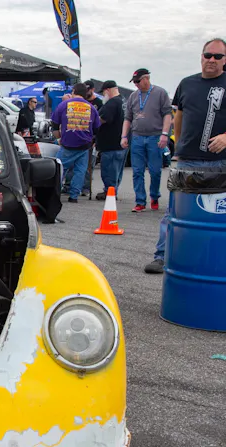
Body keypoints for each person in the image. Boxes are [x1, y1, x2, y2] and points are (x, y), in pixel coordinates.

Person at [144, 39, 226, 273]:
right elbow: (178, 116)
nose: (212, 60)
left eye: (218, 56)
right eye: (208, 55)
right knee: (175, 212)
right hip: (188, 161)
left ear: (225, 60)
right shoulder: (187, 83)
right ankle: (162, 256)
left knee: (218, 216)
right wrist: (179, 147)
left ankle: (216, 262)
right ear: (201, 56)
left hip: (222, 163)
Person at [121, 68, 173, 213]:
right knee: (137, 171)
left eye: (138, 81)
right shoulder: (133, 96)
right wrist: (124, 136)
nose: (136, 84)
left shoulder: (160, 93)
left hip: (155, 137)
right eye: (134, 82)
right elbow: (127, 118)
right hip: (137, 137)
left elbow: (167, 114)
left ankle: (154, 196)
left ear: (146, 79)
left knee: (155, 170)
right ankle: (140, 201)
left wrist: (164, 134)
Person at [51, 82, 102, 203]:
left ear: (74, 91)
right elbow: (97, 128)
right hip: (84, 145)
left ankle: (55, 194)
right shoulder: (91, 107)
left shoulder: (64, 105)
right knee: (80, 170)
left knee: (60, 169)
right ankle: (74, 196)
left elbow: (54, 123)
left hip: (67, 143)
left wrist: (58, 138)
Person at [95, 80, 128, 199]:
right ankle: (113, 190)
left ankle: (110, 192)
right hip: (121, 143)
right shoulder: (123, 101)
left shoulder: (112, 103)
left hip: (111, 144)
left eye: (104, 92)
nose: (104, 95)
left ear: (108, 90)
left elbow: (101, 119)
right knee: (117, 171)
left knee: (109, 171)